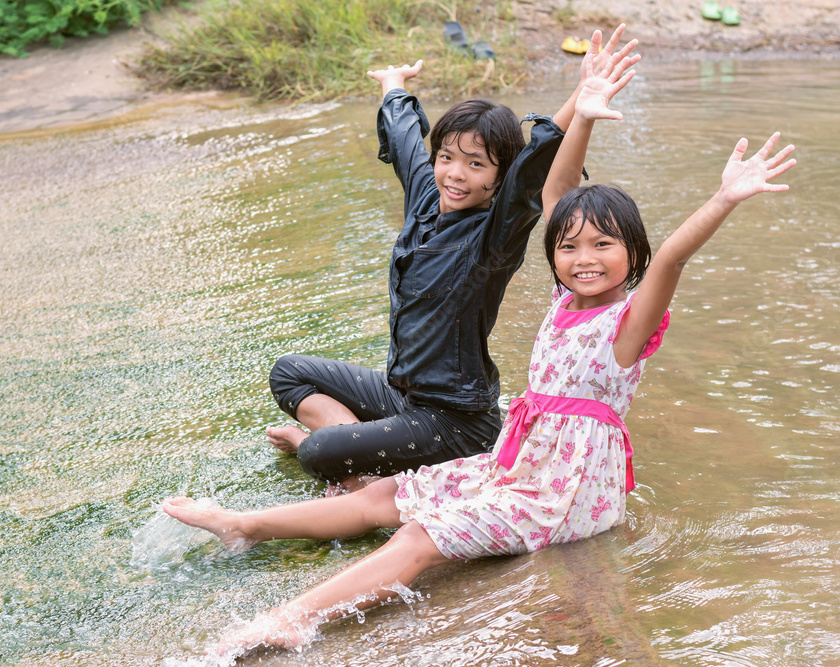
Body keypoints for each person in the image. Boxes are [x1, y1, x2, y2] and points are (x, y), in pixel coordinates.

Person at [163, 38, 795, 657]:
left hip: (564, 493)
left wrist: (724, 198)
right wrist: (586, 108)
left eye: (605, 246)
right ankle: (242, 523)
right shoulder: (563, 299)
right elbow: (556, 191)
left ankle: (292, 620)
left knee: (415, 536)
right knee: (384, 495)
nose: (584, 259)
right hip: (518, 464)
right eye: (570, 247)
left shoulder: (627, 321)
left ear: (633, 257)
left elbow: (674, 257)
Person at [267, 26, 640, 490]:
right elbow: (405, 141)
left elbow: (531, 170)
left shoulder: (494, 236)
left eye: (476, 164)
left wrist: (579, 99)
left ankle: (346, 466)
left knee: (317, 452)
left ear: (498, 177)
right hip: (401, 395)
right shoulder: (426, 200)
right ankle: (351, 456)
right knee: (288, 372)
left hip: (455, 421)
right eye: (447, 157)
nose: (455, 174)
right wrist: (394, 86)